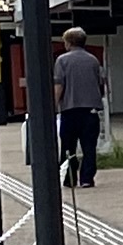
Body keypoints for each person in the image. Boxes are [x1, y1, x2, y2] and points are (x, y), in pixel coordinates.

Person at [51, 27, 105, 187]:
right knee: (89, 147)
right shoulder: (93, 60)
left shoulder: (62, 60)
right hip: (91, 110)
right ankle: (87, 178)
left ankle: (69, 178)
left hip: (70, 109)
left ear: (68, 43)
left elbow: (59, 85)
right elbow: (101, 83)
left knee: (68, 146)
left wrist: (54, 105)